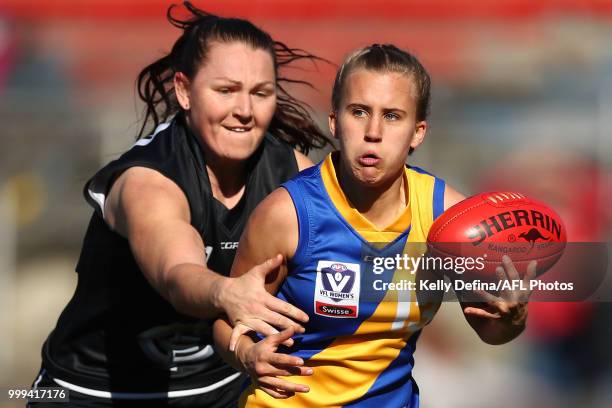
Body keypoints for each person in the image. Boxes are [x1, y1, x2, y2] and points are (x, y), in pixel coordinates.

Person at [30, 2, 332, 406]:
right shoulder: (148, 181)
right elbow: (177, 273)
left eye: (260, 93)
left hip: (217, 389)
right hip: (91, 389)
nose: (244, 110)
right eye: (225, 90)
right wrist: (227, 292)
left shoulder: (291, 173)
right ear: (185, 91)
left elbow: (357, 239)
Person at [213, 44, 537, 407]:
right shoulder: (287, 215)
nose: (373, 132)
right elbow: (226, 322)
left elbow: (490, 329)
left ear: (418, 132)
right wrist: (246, 354)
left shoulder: (448, 219)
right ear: (334, 121)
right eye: (359, 112)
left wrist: (513, 317)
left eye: (393, 116)